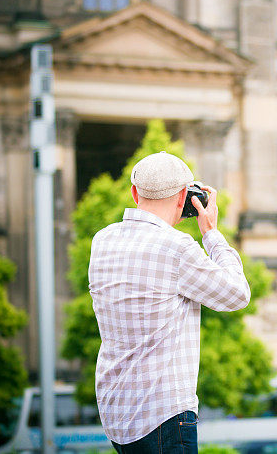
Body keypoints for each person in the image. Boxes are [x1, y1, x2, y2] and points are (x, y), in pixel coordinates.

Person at [89, 151, 251, 454]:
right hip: (163, 414)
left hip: (116, 411)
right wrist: (211, 233)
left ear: (134, 192)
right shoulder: (176, 248)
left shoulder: (103, 240)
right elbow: (237, 294)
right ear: (184, 198)